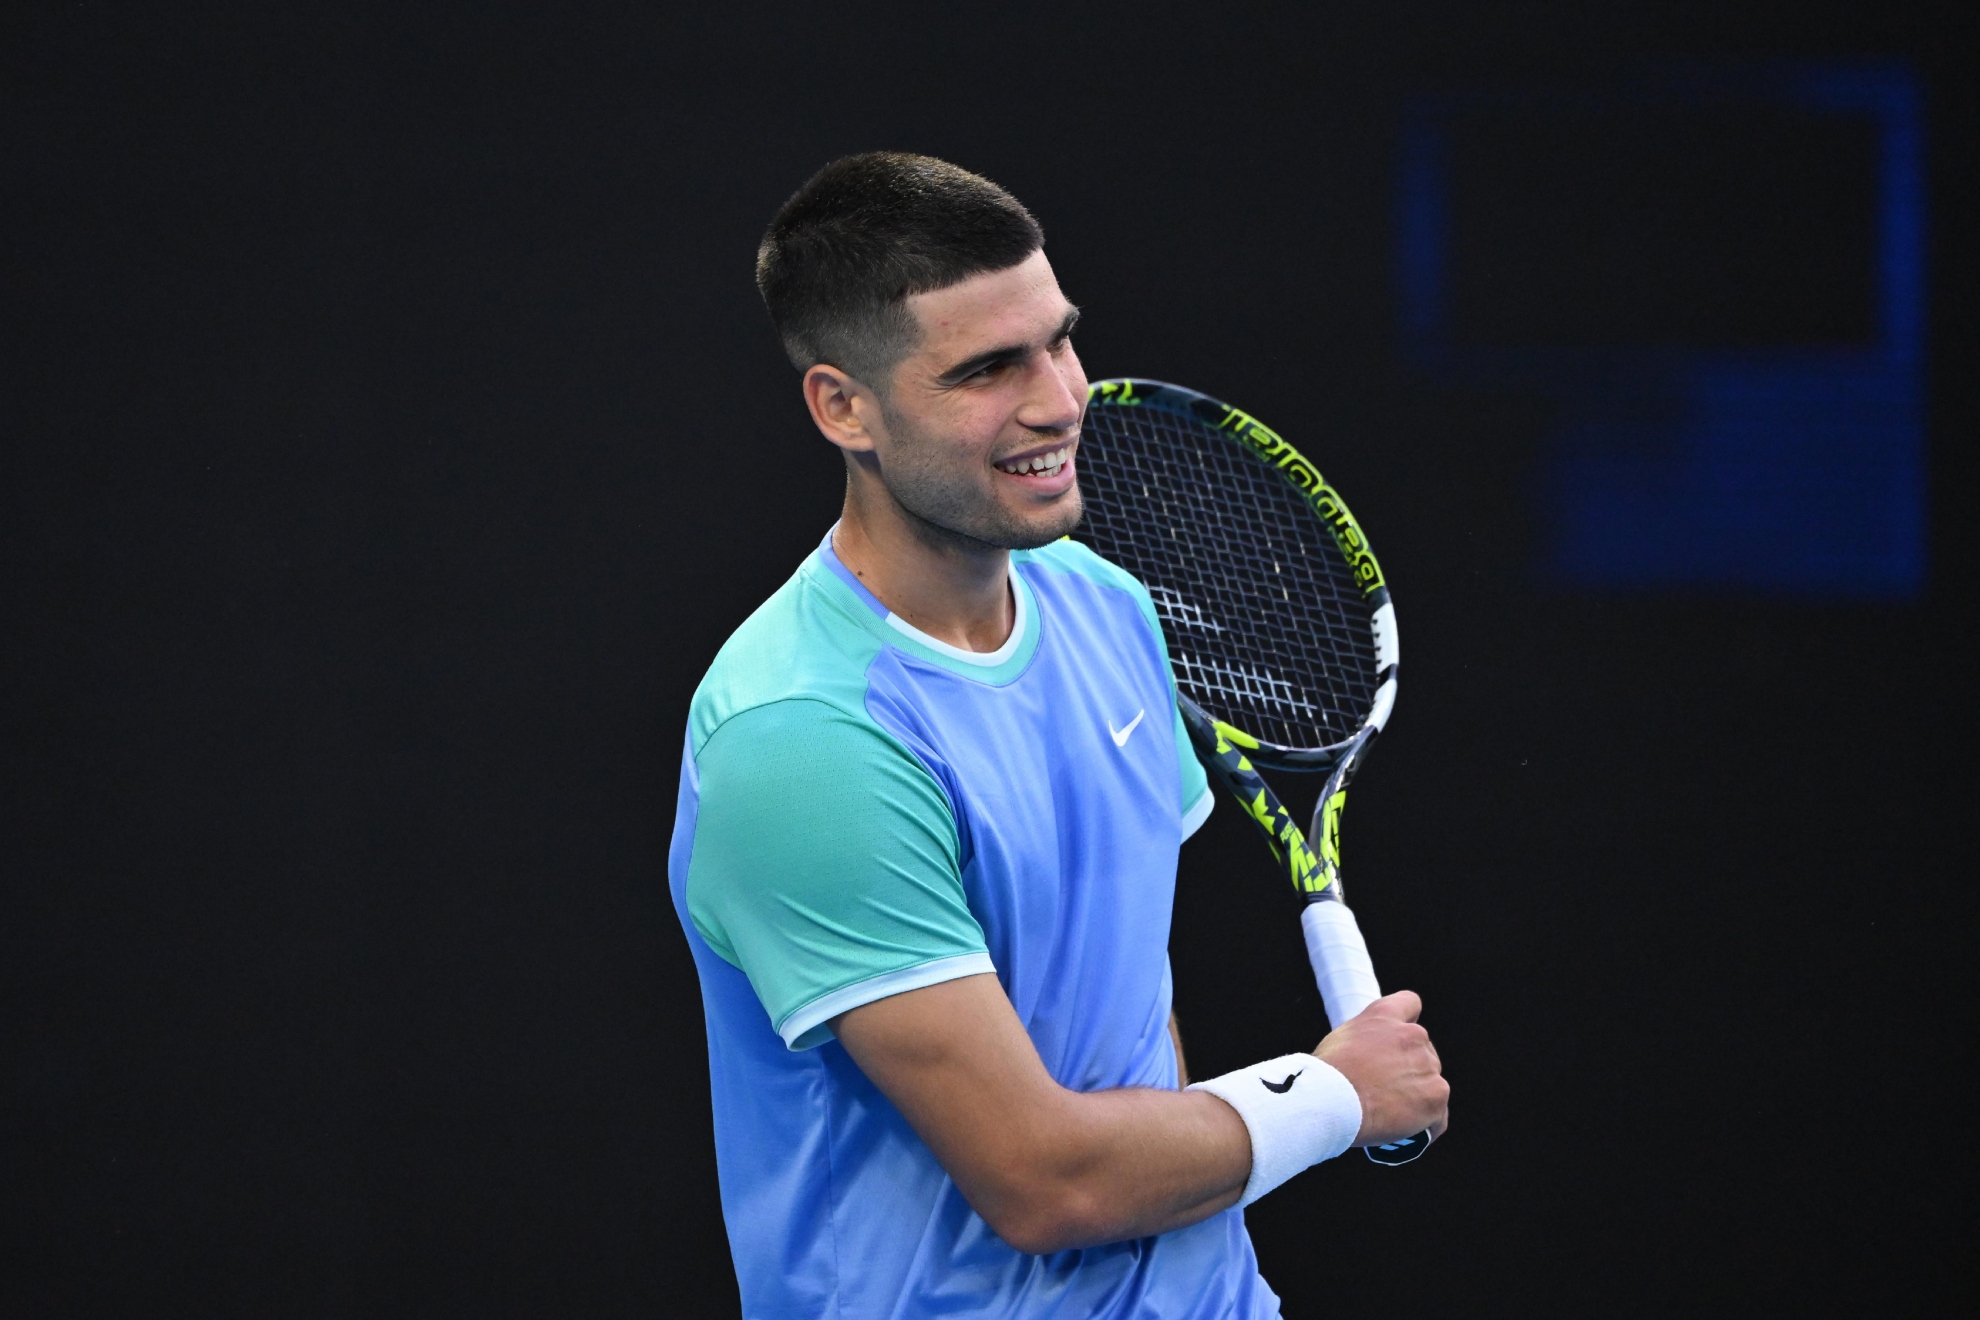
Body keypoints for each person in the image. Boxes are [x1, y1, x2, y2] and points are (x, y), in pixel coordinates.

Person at [666, 152, 1449, 1317]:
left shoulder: (1107, 606)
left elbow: (1131, 1009)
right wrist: (1331, 1099)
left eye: (1059, 340)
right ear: (844, 407)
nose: (1058, 400)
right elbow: (1041, 1182)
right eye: (986, 369)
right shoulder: (803, 740)